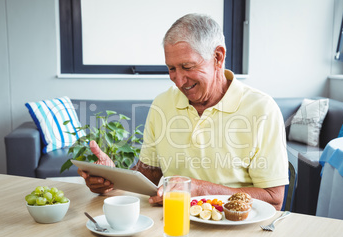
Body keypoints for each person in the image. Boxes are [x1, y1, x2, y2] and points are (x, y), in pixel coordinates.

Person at [78, 13, 288, 210]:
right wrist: (110, 180)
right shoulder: (162, 104)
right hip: (173, 225)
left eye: (187, 67)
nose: (178, 81)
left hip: (235, 231)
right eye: (171, 68)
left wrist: (200, 191)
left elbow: (273, 199)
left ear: (218, 57)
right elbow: (148, 174)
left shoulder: (262, 109)